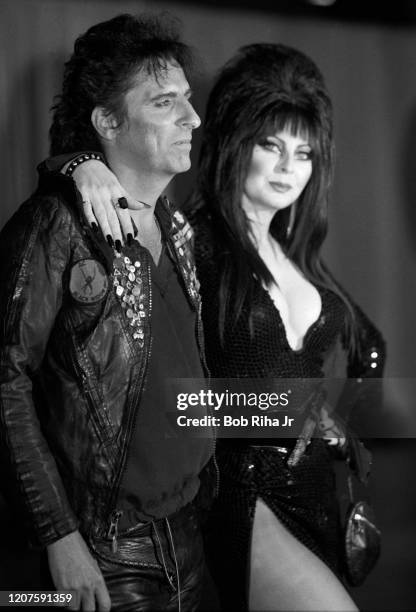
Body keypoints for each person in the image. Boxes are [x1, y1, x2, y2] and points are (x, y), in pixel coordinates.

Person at [38, 43, 386, 611]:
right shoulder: (189, 238)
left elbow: (370, 347)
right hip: (244, 497)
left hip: (318, 495)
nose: (286, 168)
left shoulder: (295, 256)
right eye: (270, 146)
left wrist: (332, 416)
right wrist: (80, 162)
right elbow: (158, 399)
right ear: (233, 144)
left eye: (303, 153)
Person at [0, 13, 216, 612]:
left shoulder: (178, 226)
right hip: (106, 555)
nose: (192, 119)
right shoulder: (55, 225)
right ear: (107, 121)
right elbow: (5, 380)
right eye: (166, 102)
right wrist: (58, 535)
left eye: (188, 101)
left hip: (190, 535)